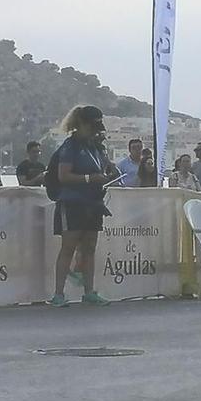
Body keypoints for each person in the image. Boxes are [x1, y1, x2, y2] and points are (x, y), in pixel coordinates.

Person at [49, 105, 114, 306]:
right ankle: (58, 294)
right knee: (68, 248)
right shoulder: (71, 146)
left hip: (93, 203)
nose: (96, 131)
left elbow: (100, 168)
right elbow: (63, 175)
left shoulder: (93, 147)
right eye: (93, 127)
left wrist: (106, 176)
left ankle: (89, 292)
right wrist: (89, 178)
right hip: (72, 203)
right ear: (82, 124)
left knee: (89, 248)